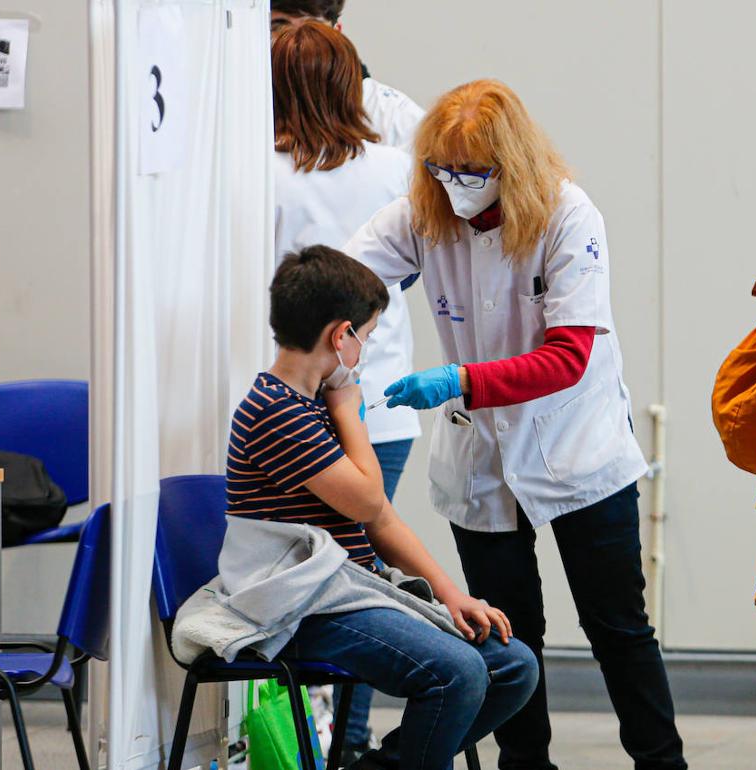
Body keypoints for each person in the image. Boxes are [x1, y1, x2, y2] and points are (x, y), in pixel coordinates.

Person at [344, 79, 688, 770]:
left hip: (577, 448)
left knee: (616, 626)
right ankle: (524, 764)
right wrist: (320, 327)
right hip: (480, 455)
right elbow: (345, 276)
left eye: (472, 172)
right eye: (442, 170)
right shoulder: (424, 211)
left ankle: (661, 762)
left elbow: (567, 358)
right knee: (507, 634)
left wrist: (459, 379)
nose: (456, 186)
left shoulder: (568, 216)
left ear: (512, 162)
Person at [229, 245, 537, 770]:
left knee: (512, 665)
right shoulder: (275, 410)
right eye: (366, 336)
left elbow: (382, 522)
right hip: (304, 606)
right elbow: (372, 501)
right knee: (457, 673)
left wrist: (451, 595)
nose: (364, 348)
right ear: (340, 335)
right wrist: (350, 410)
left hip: (349, 591)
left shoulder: (314, 400)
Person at [270, 20, 420, 762]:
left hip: (289, 408)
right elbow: (410, 274)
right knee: (368, 583)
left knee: (286, 580)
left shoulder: (259, 173)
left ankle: (292, 739)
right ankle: (350, 747)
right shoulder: (396, 169)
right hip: (378, 402)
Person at [270, 0, 425, 149]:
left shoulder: (395, 117)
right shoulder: (249, 108)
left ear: (337, 32)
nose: (294, 40)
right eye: (279, 27)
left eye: (312, 28)